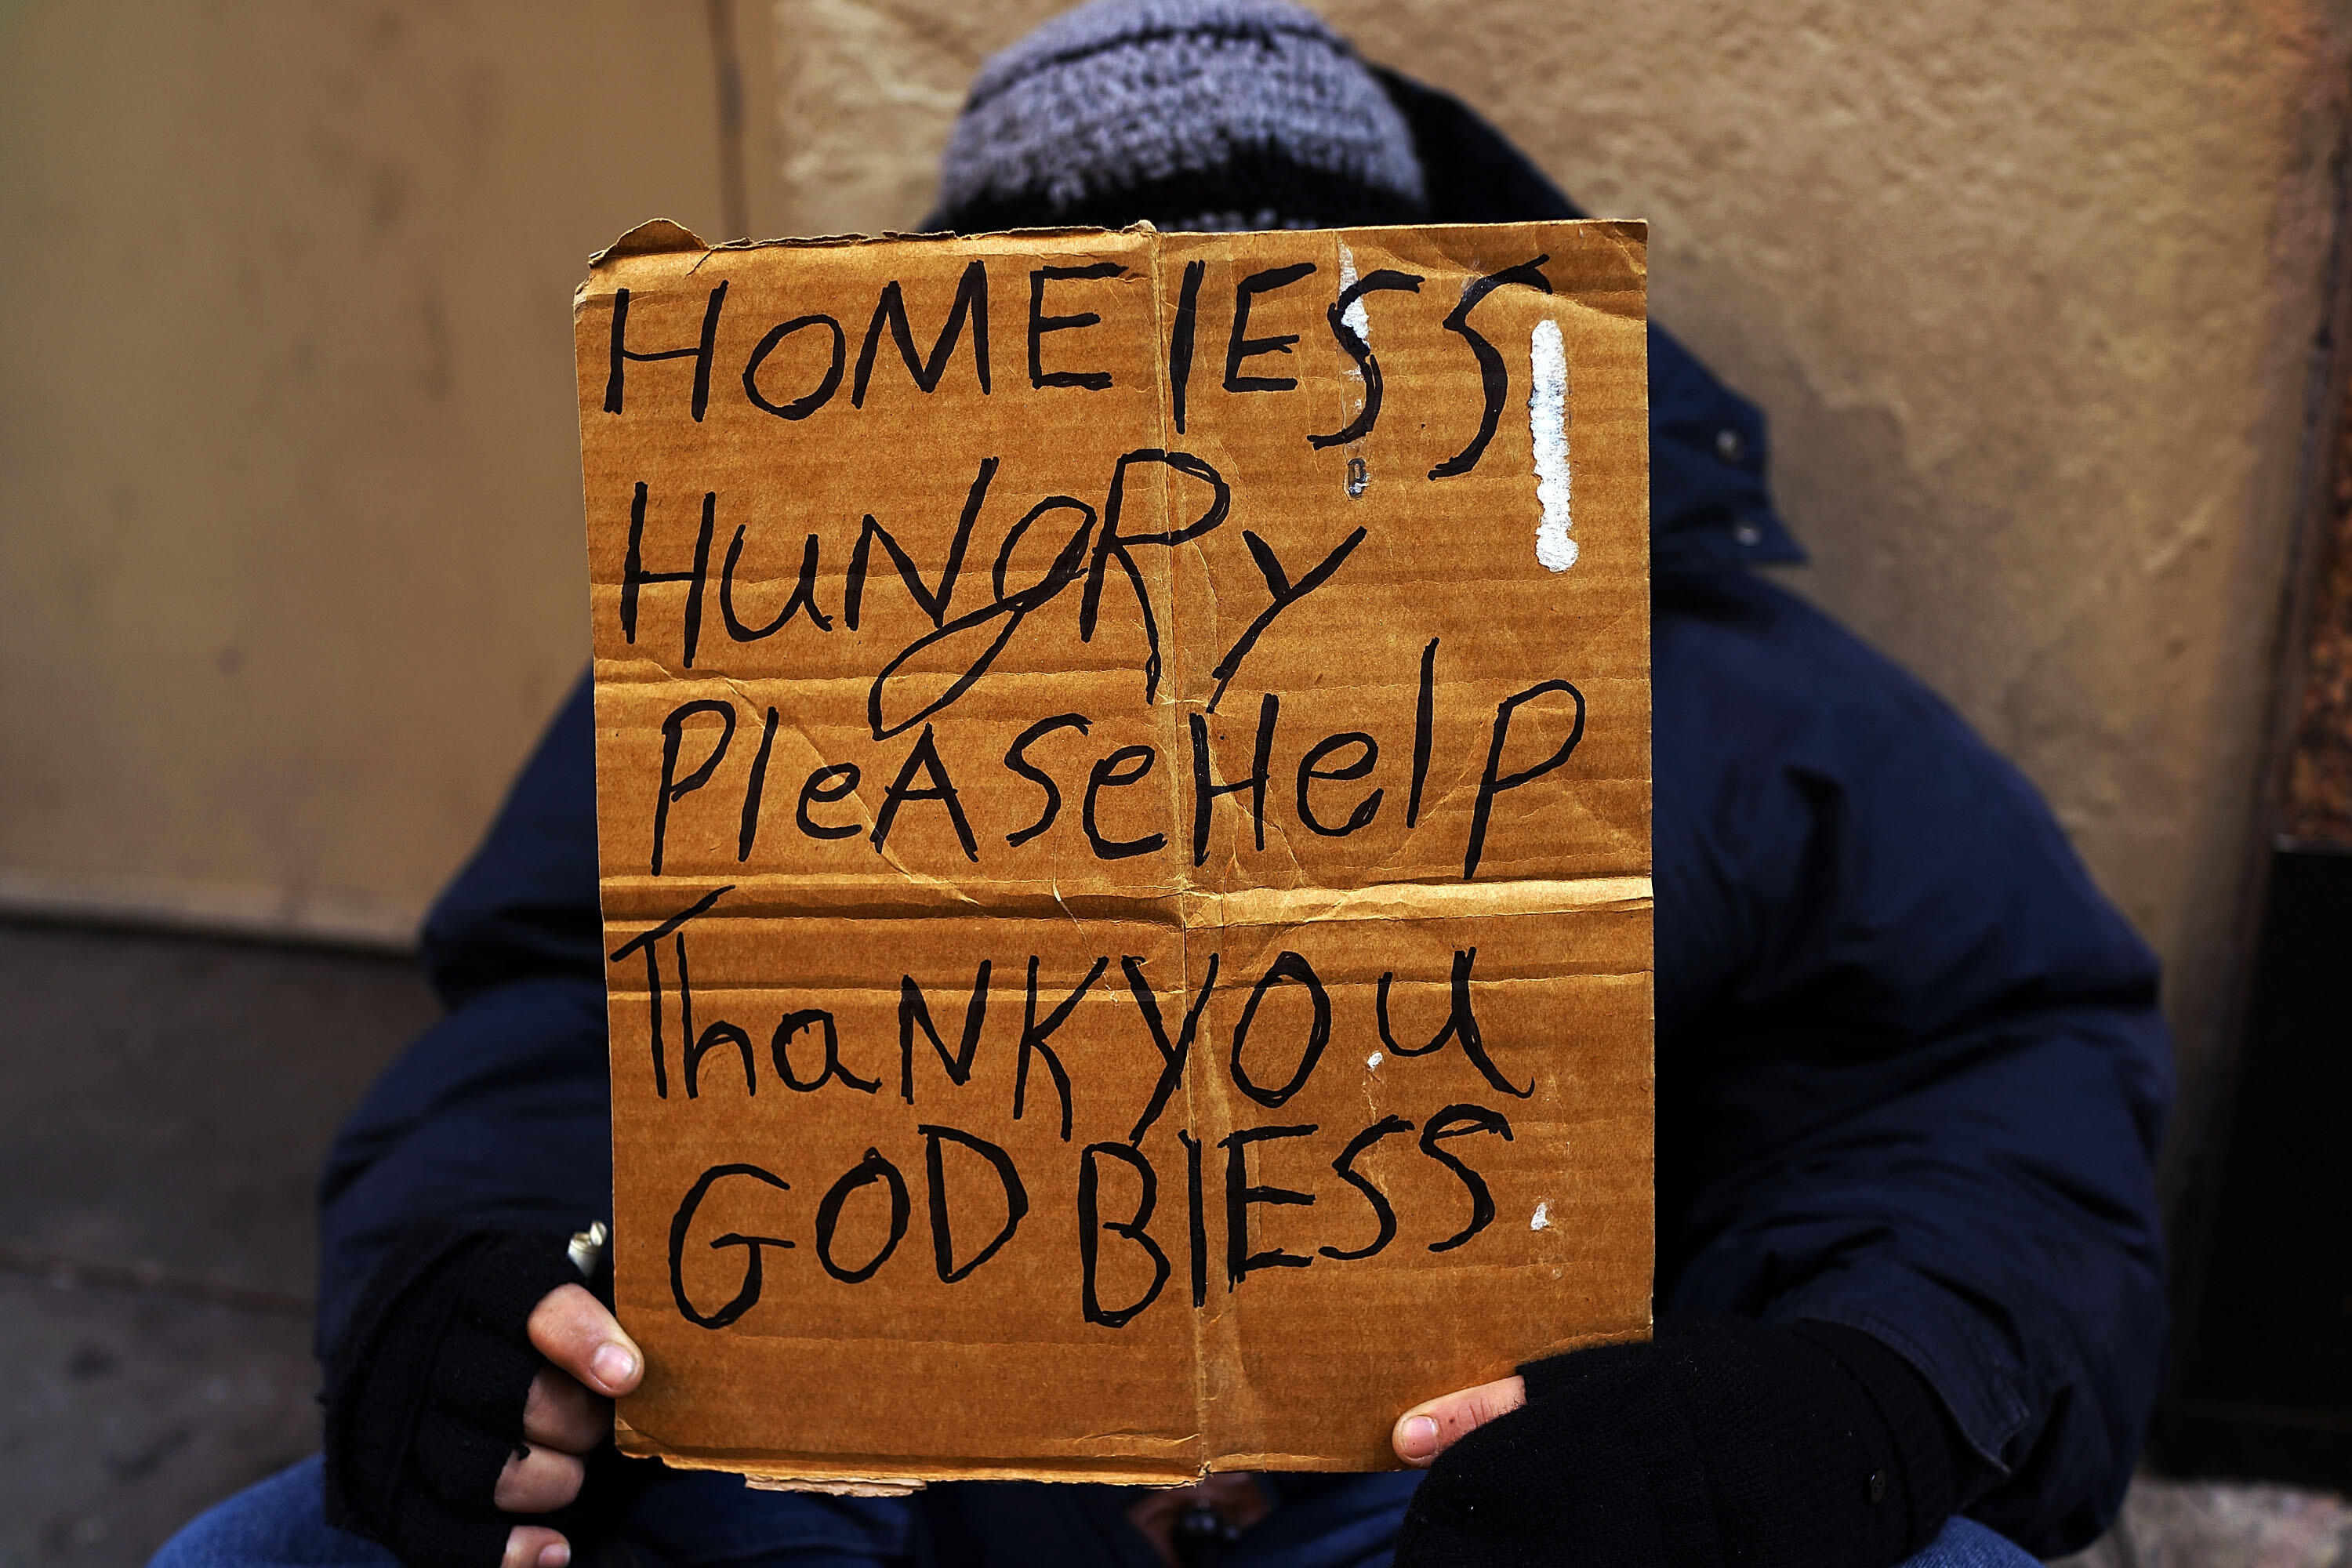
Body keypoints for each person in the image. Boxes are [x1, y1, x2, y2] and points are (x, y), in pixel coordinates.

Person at [152, 3, 2172, 1566]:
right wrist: (481, 1287)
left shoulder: (1705, 678)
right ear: (931, 379)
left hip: (1475, 1498)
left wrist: (1858, 1386)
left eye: (1281, 359)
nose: (1188, 478)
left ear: (1431, 348)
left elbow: (1987, 1068)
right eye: (1087, 374)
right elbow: (543, 1020)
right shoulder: (757, 670)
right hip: (866, 1485)